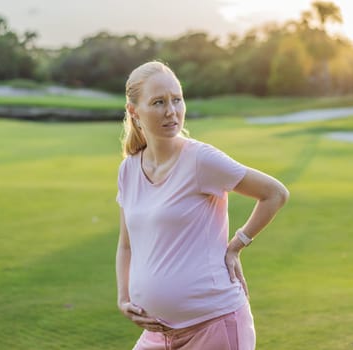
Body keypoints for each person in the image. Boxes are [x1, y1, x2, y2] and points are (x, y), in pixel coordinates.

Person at [115, 61, 289, 350]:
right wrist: (124, 298)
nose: (172, 111)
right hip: (159, 334)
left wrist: (237, 244)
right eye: (158, 102)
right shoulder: (128, 170)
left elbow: (275, 193)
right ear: (134, 112)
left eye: (177, 99)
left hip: (215, 325)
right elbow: (126, 245)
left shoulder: (200, 160)